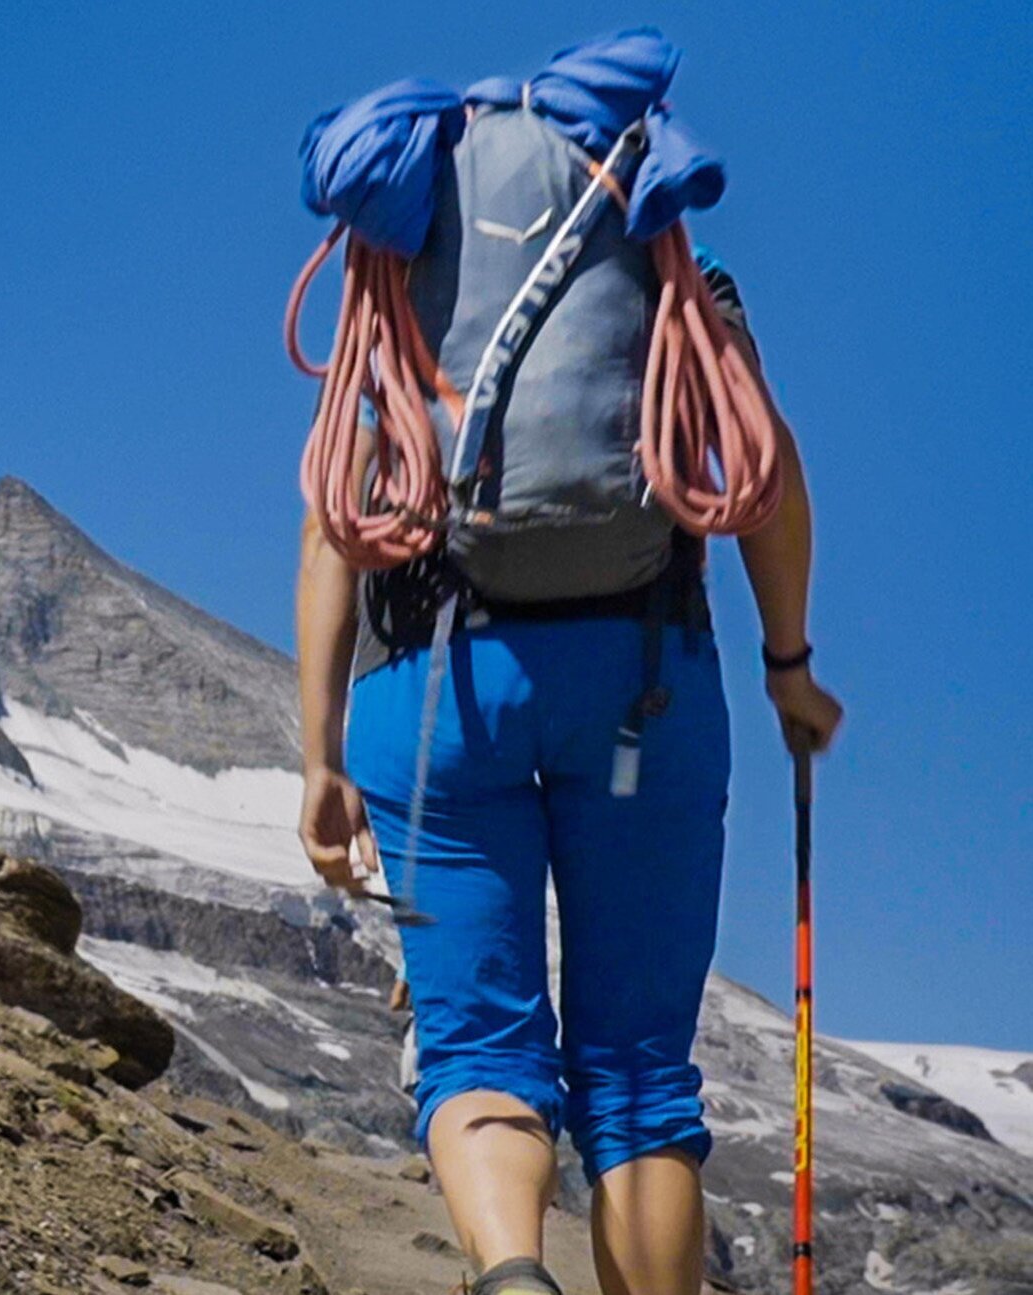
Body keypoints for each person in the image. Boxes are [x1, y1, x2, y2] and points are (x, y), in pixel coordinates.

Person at [293, 249, 844, 1295]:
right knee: (637, 1076)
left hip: (434, 696)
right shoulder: (677, 281)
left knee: (472, 1048)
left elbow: (332, 523)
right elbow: (763, 470)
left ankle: (510, 1275)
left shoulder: (403, 283)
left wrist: (321, 754)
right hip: (637, 694)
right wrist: (788, 664)